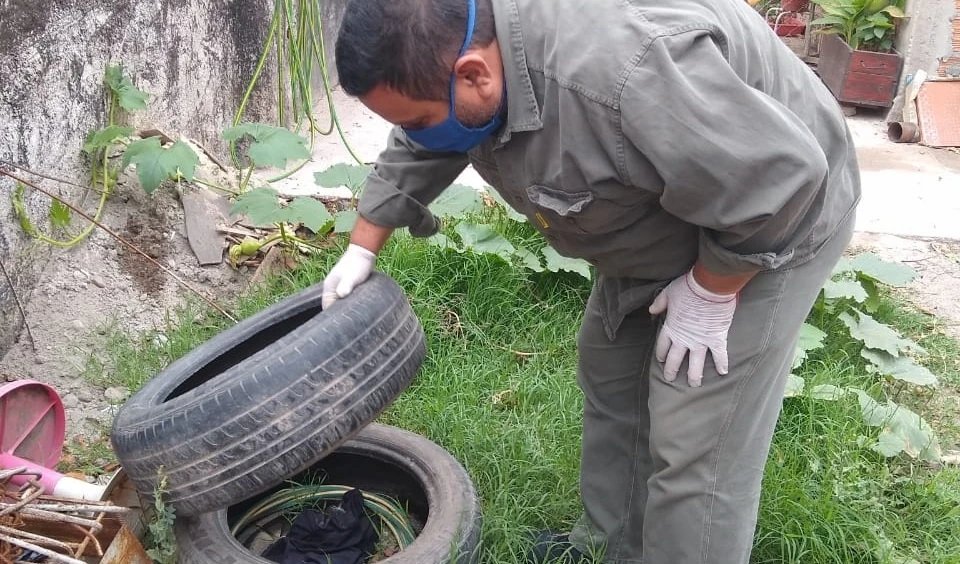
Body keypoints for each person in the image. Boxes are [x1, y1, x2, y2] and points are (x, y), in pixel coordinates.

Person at [323, 0, 861, 562]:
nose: (415, 134)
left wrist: (709, 291)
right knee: (613, 373)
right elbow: (427, 133)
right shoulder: (457, 53)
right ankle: (609, 547)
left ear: (475, 73)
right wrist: (364, 245)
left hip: (772, 214)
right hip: (673, 192)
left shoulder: (622, 73)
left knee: (695, 435)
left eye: (415, 121)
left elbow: (779, 182)